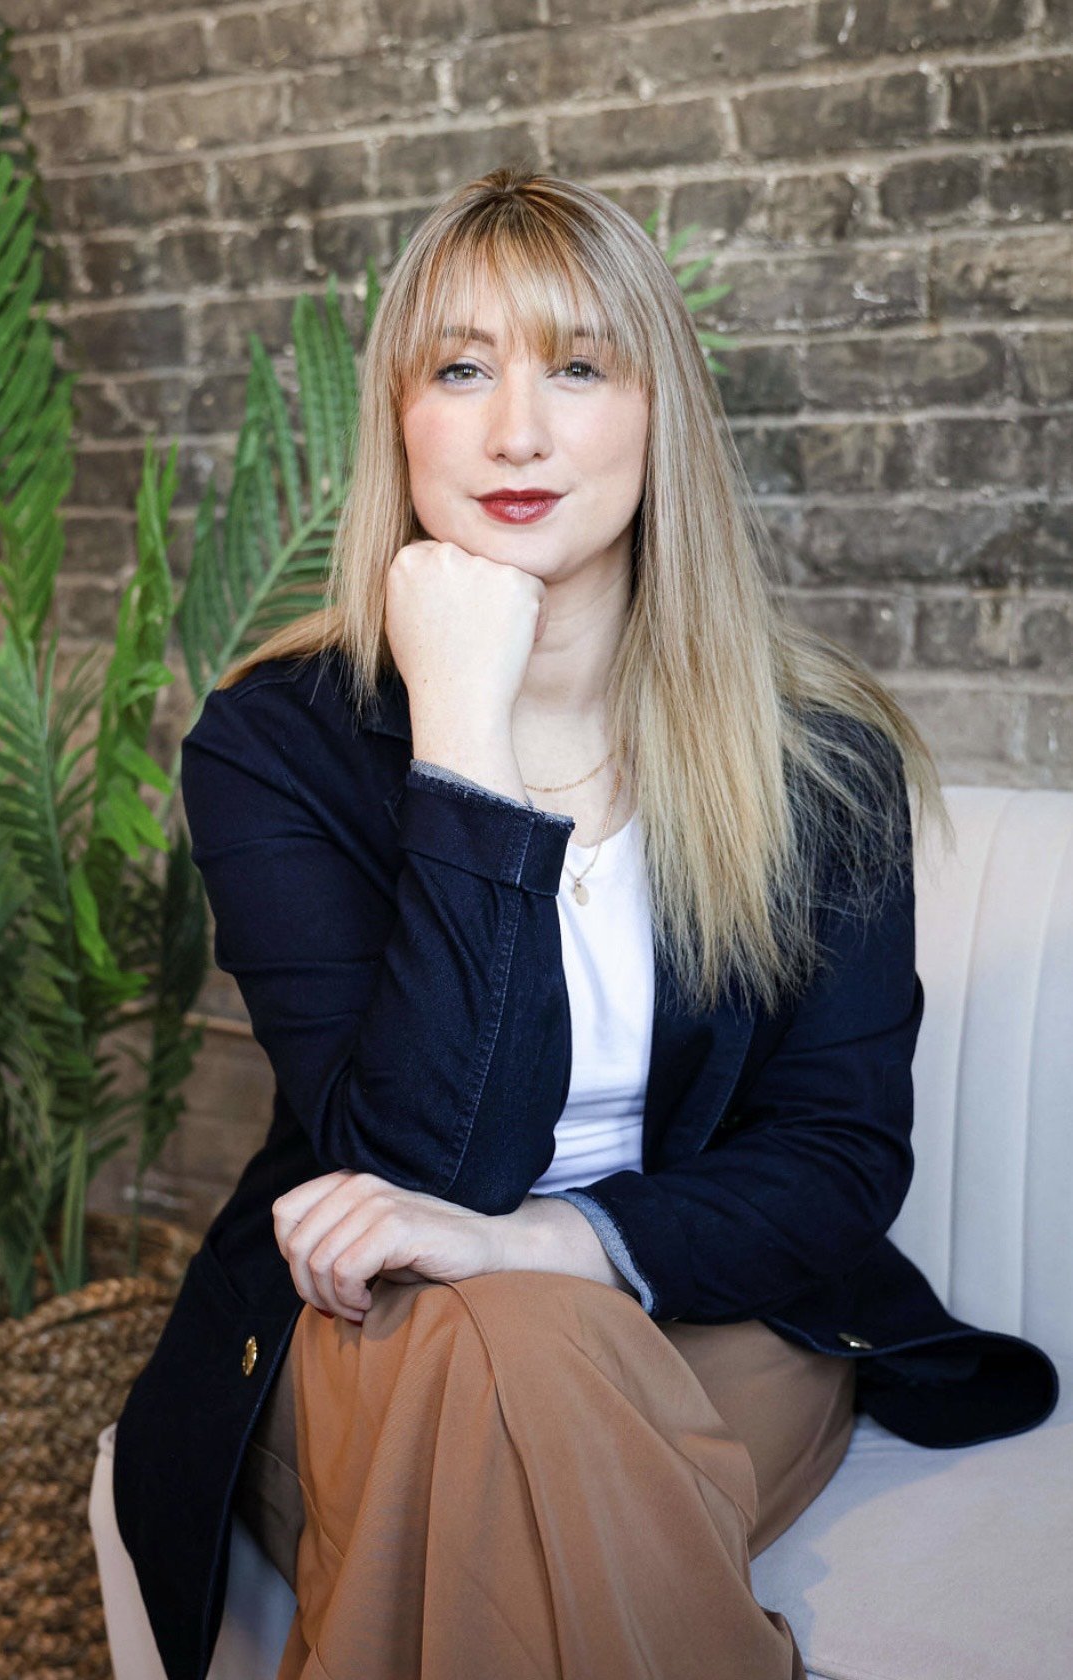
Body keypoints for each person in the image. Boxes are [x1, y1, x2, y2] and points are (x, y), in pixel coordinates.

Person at [112, 167, 1058, 1680]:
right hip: (372, 1327)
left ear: (655, 413)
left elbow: (835, 1158)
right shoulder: (273, 742)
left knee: (530, 1338)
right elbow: (425, 1160)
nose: (516, 431)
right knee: (507, 1351)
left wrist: (551, 1240)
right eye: (462, 370)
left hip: (707, 1310)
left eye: (577, 366)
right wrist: (464, 746)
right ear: (400, 420)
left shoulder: (817, 759)